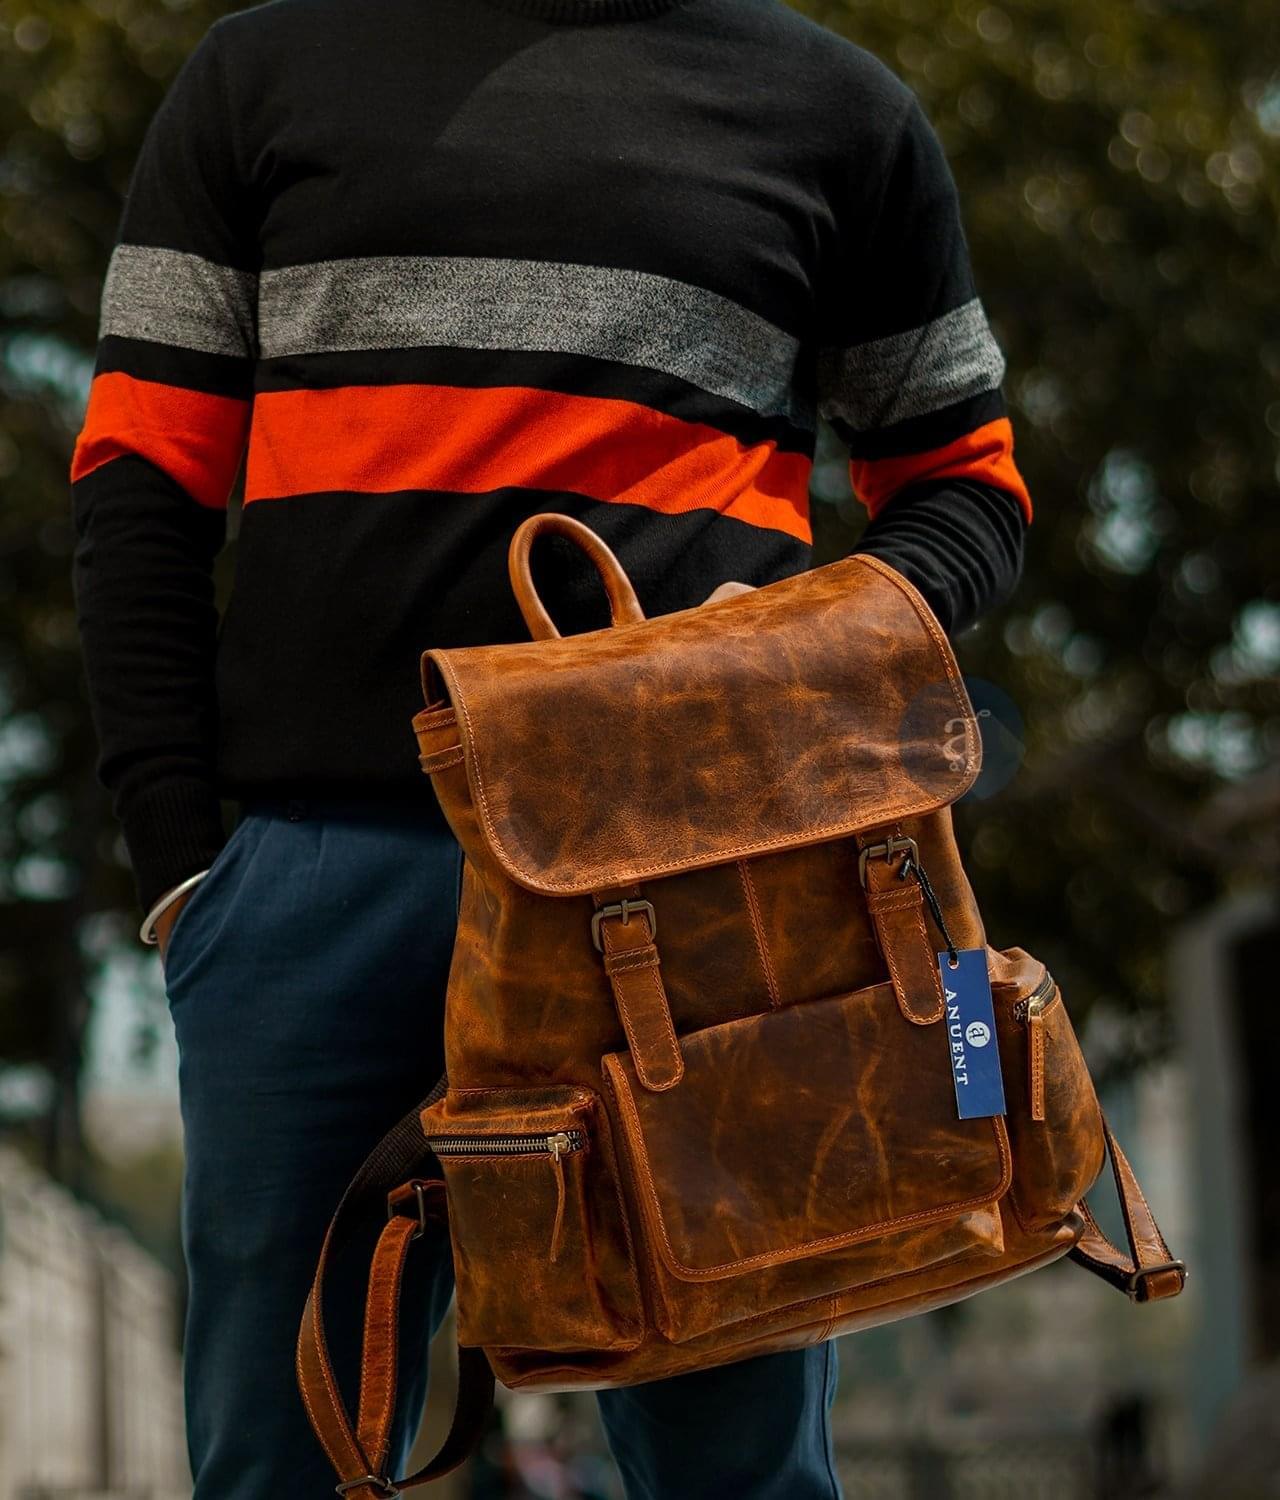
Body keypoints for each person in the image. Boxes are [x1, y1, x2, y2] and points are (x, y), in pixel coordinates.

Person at [68, 0, 1032, 1495]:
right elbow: (138, 482)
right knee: (280, 1461)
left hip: (703, 895)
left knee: (735, 1472)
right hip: (314, 891)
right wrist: (188, 868)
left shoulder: (837, 110)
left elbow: (969, 486)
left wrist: (796, 648)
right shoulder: (257, 73)